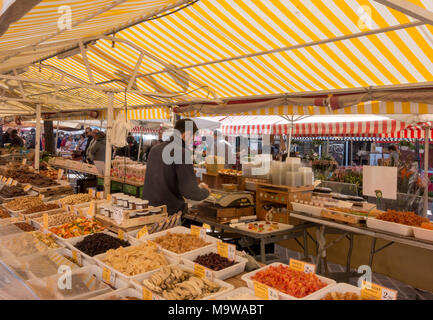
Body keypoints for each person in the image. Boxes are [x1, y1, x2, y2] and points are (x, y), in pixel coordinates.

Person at [142, 119, 210, 215]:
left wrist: (197, 187)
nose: (192, 141)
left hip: (148, 207)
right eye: (193, 137)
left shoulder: (155, 149)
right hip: (168, 212)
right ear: (187, 134)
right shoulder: (182, 153)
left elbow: (169, 179)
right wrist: (205, 191)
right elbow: (190, 192)